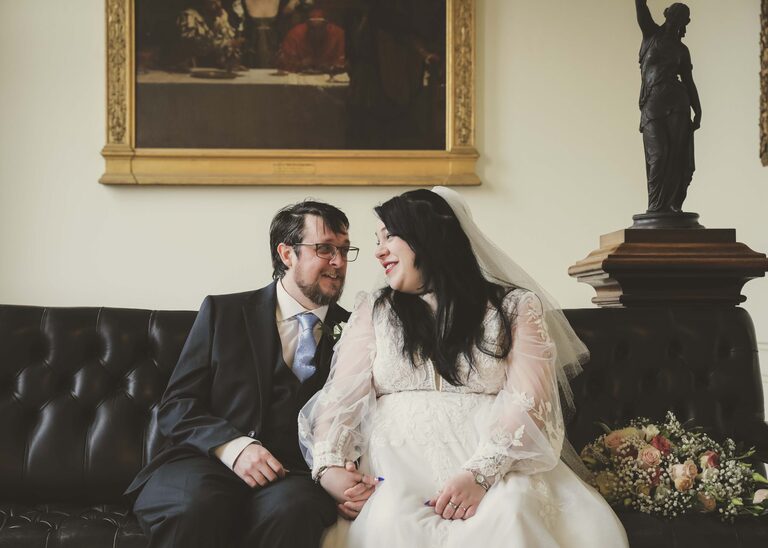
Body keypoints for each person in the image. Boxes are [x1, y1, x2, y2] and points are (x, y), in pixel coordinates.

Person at [299, 188, 629, 547]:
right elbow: (341, 398)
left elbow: (530, 402)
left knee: (512, 514)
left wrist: (480, 475)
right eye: (377, 240)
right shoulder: (374, 311)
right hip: (394, 474)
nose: (378, 250)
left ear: (426, 236)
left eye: (389, 236)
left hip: (497, 467)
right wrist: (330, 468)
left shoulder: (516, 308)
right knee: (391, 522)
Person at [127, 200, 378, 548]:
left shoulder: (357, 330)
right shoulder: (223, 312)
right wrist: (235, 448)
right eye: (324, 249)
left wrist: (347, 476)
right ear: (287, 253)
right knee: (195, 507)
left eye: (344, 250)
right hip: (206, 466)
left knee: (295, 513)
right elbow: (177, 406)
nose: (338, 262)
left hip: (296, 478)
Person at [635, 0, 702, 213]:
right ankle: (656, 206)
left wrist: (698, 110)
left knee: (676, 156)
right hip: (653, 105)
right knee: (660, 154)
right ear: (668, 17)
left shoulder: (682, 50)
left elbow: (689, 81)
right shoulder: (650, 35)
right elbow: (641, 9)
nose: (678, 24)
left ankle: (673, 207)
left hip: (679, 104)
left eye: (682, 21)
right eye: (675, 18)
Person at [177, 0, 243, 69]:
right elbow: (193, 46)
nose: (217, 3)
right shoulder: (189, 16)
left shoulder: (221, 17)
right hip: (193, 69)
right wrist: (215, 30)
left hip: (216, 70)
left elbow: (225, 47)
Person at [276, 9, 346, 73]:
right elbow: (283, 64)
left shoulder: (338, 34)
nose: (317, 32)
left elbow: (343, 63)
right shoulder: (295, 34)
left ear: (327, 26)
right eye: (313, 29)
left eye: (320, 28)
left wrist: (329, 66)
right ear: (307, 26)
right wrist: (300, 64)